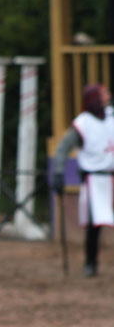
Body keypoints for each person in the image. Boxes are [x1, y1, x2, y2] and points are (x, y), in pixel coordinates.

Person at [52, 83, 114, 277]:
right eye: (103, 93)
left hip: (112, 175)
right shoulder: (83, 123)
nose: (108, 96)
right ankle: (90, 262)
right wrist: (58, 173)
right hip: (94, 180)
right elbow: (63, 149)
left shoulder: (111, 117)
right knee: (93, 226)